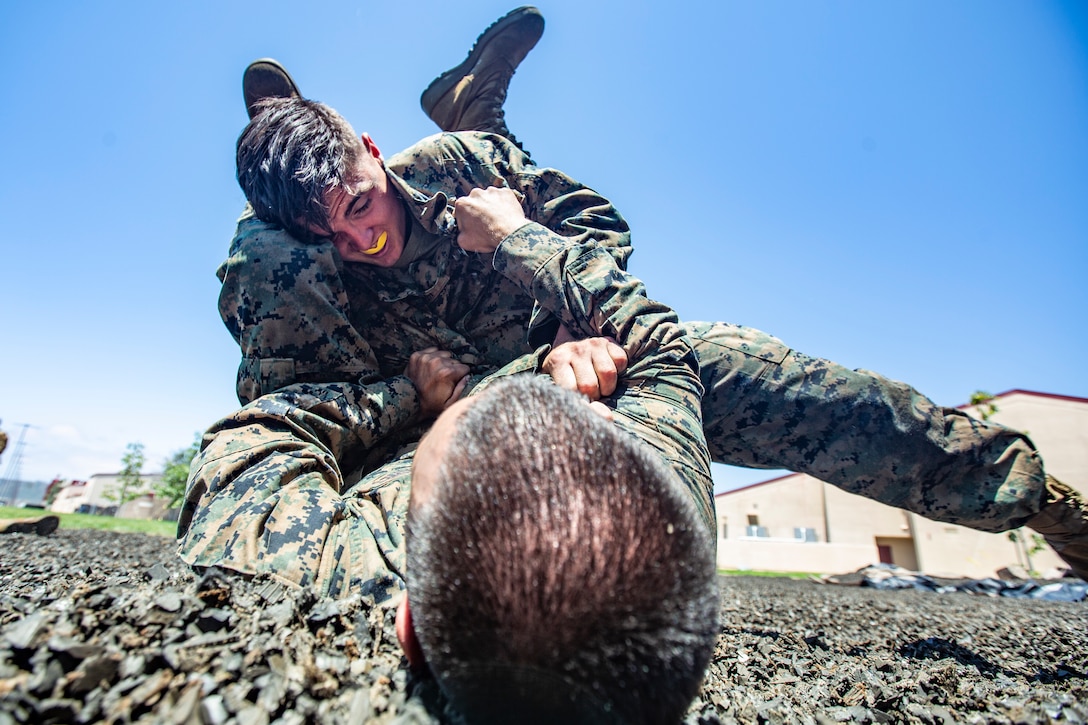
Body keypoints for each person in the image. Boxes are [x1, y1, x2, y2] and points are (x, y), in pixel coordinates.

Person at [193, 4, 1087, 586]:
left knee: (805, 390)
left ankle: (1048, 504)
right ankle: (348, 120)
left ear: (378, 151)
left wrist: (524, 253)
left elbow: (610, 247)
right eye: (329, 234)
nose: (363, 241)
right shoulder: (296, 276)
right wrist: (426, 397)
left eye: (359, 206)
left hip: (605, 362)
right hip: (458, 435)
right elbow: (304, 424)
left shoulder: (465, 175)